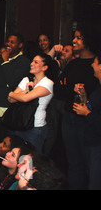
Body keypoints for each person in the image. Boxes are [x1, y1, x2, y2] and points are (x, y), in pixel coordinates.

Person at [54, 23, 100, 189]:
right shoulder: (73, 64)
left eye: (78, 38)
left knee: (90, 164)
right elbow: (58, 88)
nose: (74, 40)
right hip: (69, 117)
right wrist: (70, 88)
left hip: (87, 121)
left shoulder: (96, 65)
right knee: (73, 163)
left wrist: (78, 91)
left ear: (87, 41)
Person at [0, 33, 31, 140]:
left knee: (7, 140)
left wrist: (6, 61)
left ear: (20, 45)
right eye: (7, 41)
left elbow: (12, 82)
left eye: (12, 42)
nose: (8, 44)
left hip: (11, 109)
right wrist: (6, 82)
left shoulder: (24, 61)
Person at [7, 53, 54, 152]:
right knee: (17, 153)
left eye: (36, 62)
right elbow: (10, 99)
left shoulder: (48, 83)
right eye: (32, 61)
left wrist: (12, 93)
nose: (31, 64)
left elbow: (25, 99)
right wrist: (24, 92)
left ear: (44, 67)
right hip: (20, 123)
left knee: (33, 156)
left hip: (36, 126)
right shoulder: (26, 79)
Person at [72, 47, 101, 190]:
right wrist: (83, 96)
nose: (91, 65)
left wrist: (87, 113)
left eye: (95, 63)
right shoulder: (98, 87)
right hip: (91, 140)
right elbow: (94, 107)